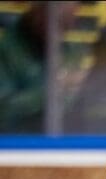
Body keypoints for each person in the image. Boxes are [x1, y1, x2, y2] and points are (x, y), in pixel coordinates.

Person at [0, 1, 79, 133]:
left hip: (64, 144)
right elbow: (4, 108)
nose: (67, 29)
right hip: (17, 145)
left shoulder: (68, 51)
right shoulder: (7, 51)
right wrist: (54, 90)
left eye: (69, 22)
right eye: (62, 21)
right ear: (40, 12)